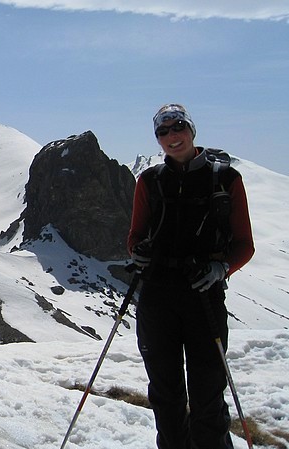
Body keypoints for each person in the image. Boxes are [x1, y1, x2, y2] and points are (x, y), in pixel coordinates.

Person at [128, 104, 255, 448]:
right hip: (157, 297)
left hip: (204, 298)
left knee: (207, 397)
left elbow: (244, 244)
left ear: (191, 130)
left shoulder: (225, 179)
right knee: (165, 397)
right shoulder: (150, 181)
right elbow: (134, 237)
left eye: (177, 127)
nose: (171, 136)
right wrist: (139, 252)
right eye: (163, 132)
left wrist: (221, 268)